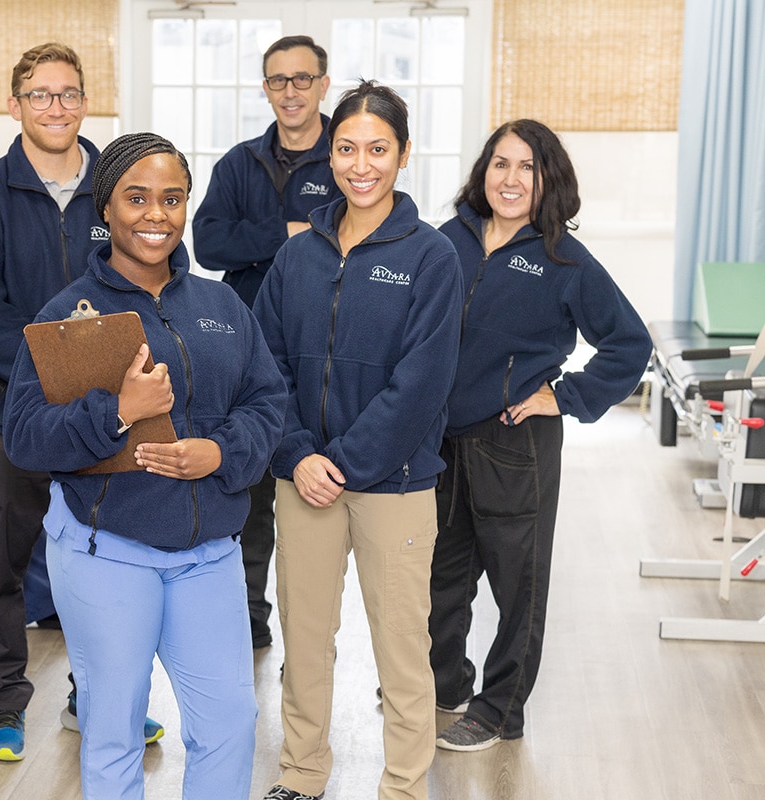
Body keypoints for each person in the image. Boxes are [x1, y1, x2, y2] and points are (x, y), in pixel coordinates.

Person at [4, 131, 286, 800]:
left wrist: (221, 452)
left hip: (210, 556)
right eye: (136, 198)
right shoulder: (70, 316)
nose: (155, 214)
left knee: (230, 725)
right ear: (105, 209)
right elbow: (24, 437)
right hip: (110, 555)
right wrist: (118, 411)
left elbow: (269, 403)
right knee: (113, 732)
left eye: (171, 198)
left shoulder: (222, 307)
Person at [0, 42, 162, 761]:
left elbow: (156, 279)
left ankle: (92, 697)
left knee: (104, 561)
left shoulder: (120, 187)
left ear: (85, 103)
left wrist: (110, 396)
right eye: (40, 95)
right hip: (7, 415)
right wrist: (61, 386)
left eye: (68, 94)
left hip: (110, 417)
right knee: (4, 558)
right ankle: (4, 701)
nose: (56, 108)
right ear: (14, 105)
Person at [253, 80, 463, 800]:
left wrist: (336, 463)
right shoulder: (297, 255)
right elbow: (267, 363)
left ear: (404, 155)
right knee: (304, 643)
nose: (360, 164)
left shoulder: (432, 258)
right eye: (346, 148)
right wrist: (296, 454)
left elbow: (422, 384)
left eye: (378, 149)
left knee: (402, 649)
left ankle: (404, 786)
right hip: (301, 476)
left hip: (395, 486)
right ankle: (302, 775)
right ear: (329, 154)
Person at [428, 119, 651, 752]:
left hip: (513, 442)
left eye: (528, 167)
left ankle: (501, 710)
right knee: (442, 576)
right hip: (441, 442)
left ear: (547, 178)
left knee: (517, 583)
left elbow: (629, 343)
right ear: (483, 171)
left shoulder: (563, 258)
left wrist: (567, 396)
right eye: (501, 164)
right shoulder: (448, 241)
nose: (512, 178)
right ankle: (444, 684)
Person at [193, 34, 335, 650]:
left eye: (302, 79)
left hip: (322, 347)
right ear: (265, 88)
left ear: (323, 84)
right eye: (278, 81)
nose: (290, 92)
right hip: (246, 352)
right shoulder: (237, 164)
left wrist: (272, 237)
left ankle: (312, 636)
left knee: (311, 495)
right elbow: (207, 245)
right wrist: (288, 231)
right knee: (248, 491)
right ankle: (249, 618)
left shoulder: (347, 157)